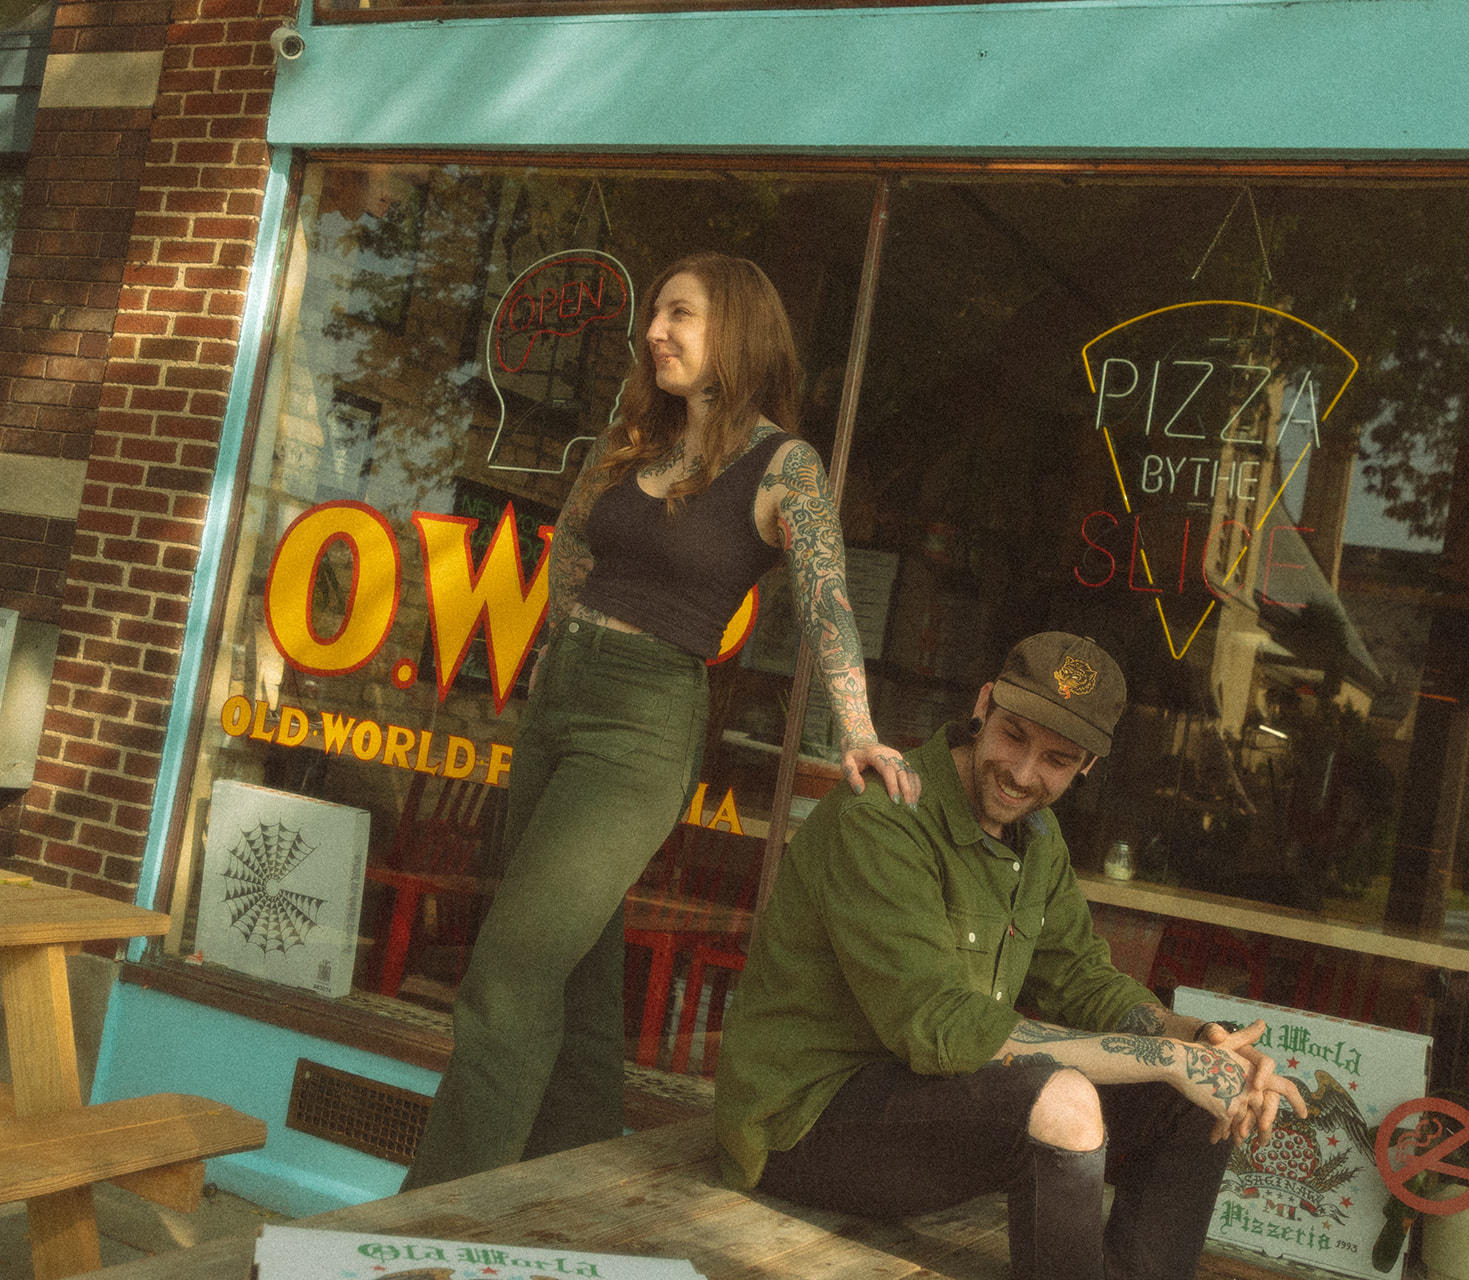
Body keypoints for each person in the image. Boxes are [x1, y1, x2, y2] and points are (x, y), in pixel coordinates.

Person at [404, 252, 920, 1188]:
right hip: (564, 700)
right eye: (655, 315)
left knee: (509, 976)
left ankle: (422, 1223)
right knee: (579, 980)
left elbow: (827, 598)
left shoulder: (783, 466)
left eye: (680, 315)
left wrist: (856, 728)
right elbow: (571, 556)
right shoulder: (635, 437)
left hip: (642, 723)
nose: (655, 331)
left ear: (738, 333)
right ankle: (578, 1190)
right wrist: (557, 654)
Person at [715, 632, 1305, 1280]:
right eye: (1013, 735)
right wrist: (1163, 1058)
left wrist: (1199, 1040)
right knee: (1062, 1101)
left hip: (929, 1103)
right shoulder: (884, 815)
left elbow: (1080, 977)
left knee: (1201, 1091)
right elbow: (939, 1025)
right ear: (984, 704)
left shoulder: (1038, 840)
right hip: (804, 1121)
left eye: (1056, 758)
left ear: (1087, 767)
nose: (1023, 772)